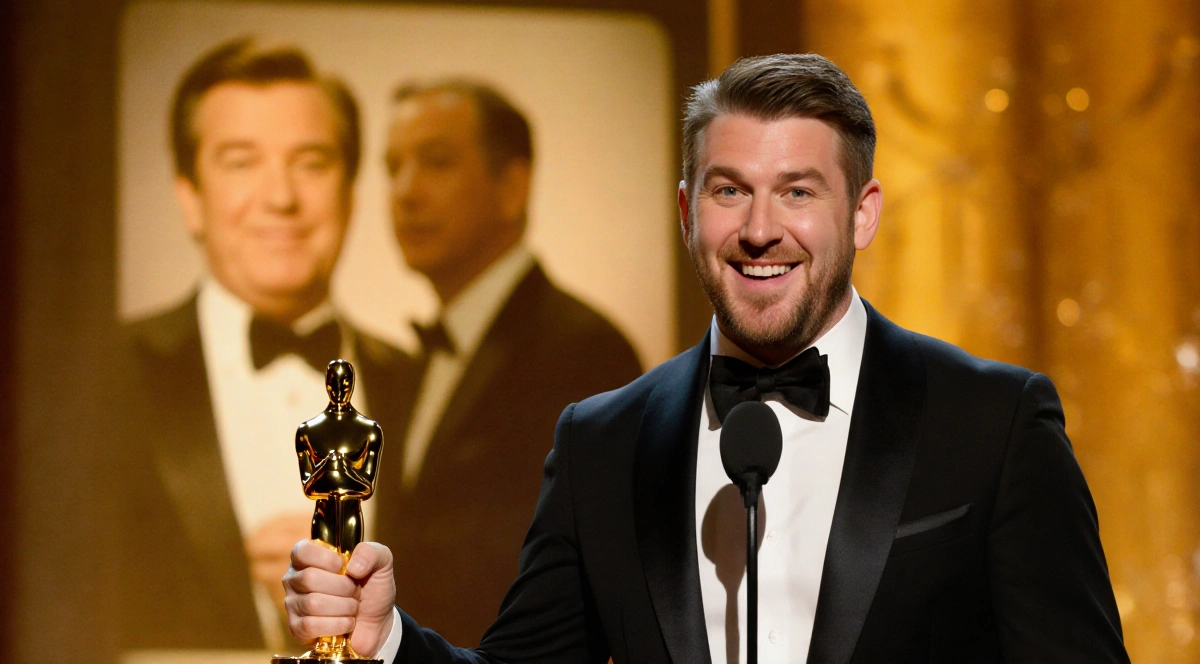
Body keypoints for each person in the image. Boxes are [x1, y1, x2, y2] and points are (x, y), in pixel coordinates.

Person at [282, 54, 1129, 663]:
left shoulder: (994, 421)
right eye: (730, 190)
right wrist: (385, 641)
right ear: (688, 211)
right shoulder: (600, 442)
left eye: (798, 190)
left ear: (863, 213)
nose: (761, 228)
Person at [113, 37, 410, 655]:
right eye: (241, 161)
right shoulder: (99, 379)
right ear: (190, 198)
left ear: (352, 190)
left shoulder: (428, 383)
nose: (281, 198)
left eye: (312, 162)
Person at [371, 79, 643, 645]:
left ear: (513, 186)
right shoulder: (408, 364)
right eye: (392, 167)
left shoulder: (584, 349)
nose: (405, 191)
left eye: (436, 163)